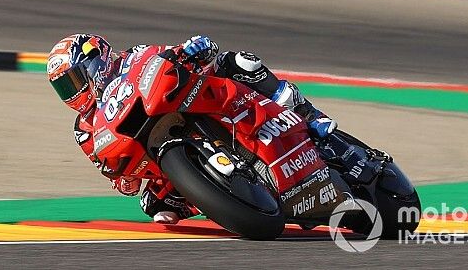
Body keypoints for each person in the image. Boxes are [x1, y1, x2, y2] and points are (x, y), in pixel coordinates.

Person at [47, 33, 336, 225]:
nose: (72, 93)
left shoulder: (132, 57)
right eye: (63, 88)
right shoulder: (85, 128)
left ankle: (309, 115)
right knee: (152, 205)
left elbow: (169, 56)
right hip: (160, 150)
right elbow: (122, 182)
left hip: (189, 104)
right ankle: (223, 198)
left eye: (73, 80)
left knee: (237, 62)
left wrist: (192, 48)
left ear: (96, 60)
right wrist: (123, 177)